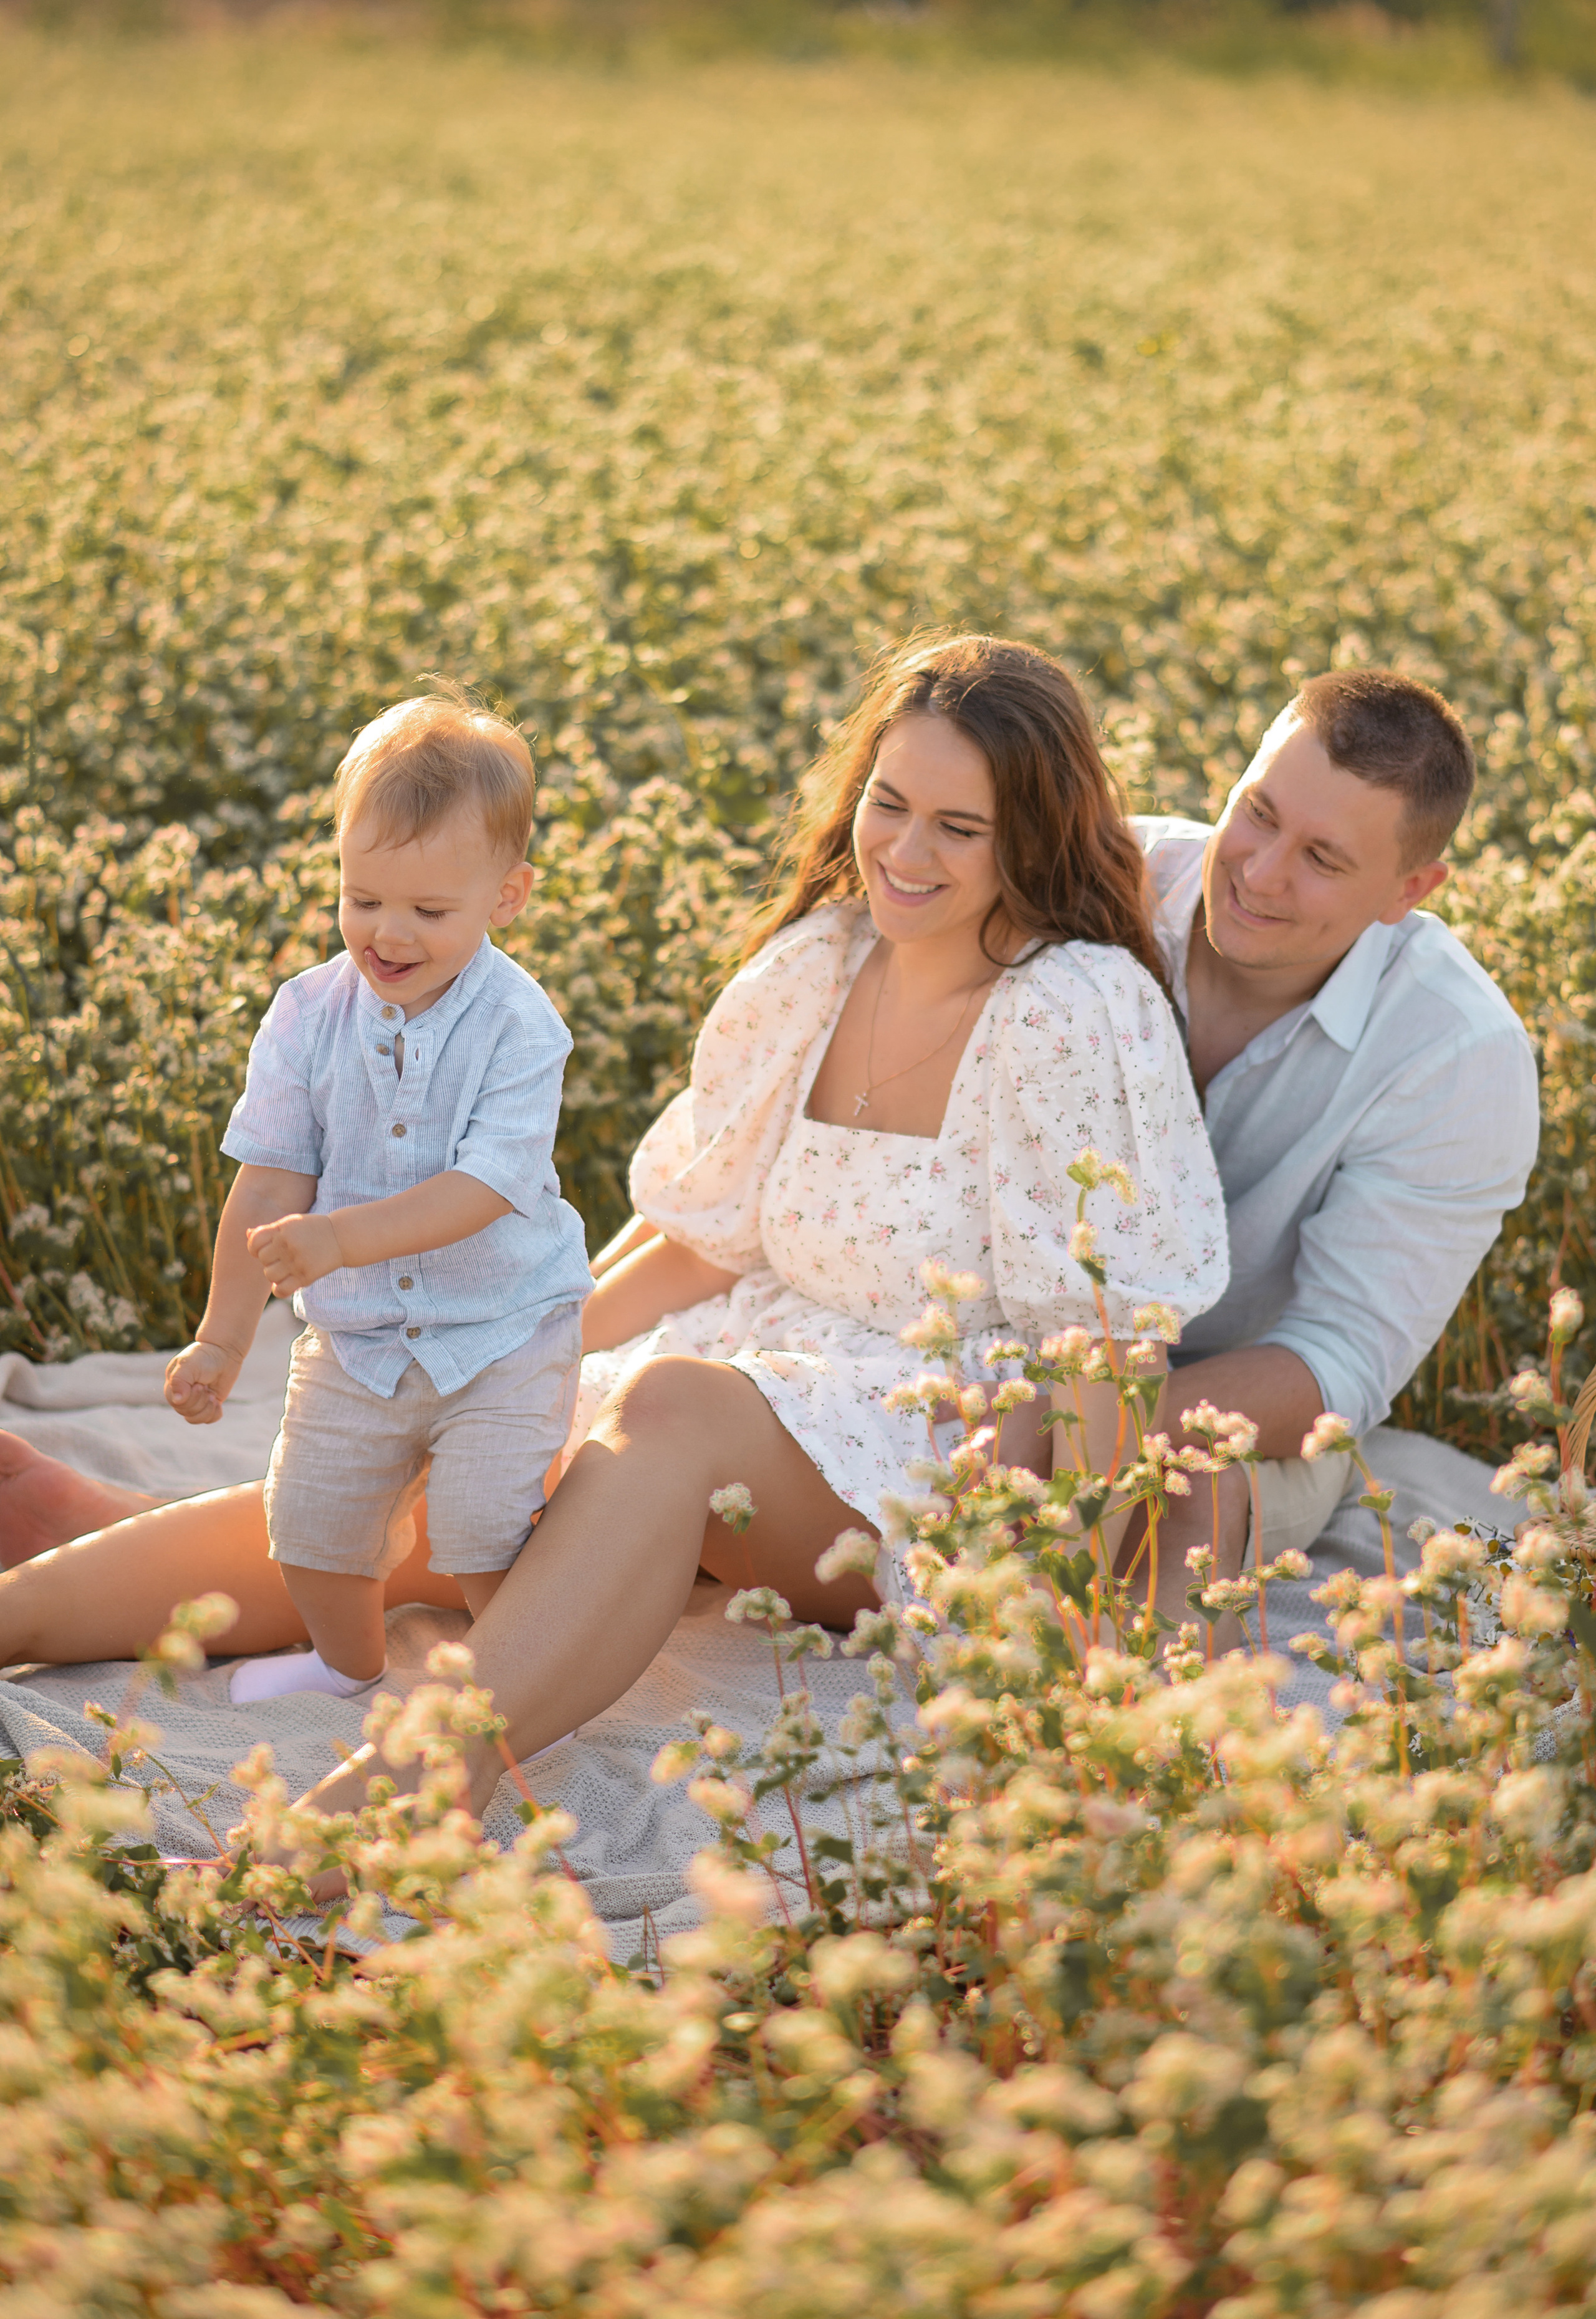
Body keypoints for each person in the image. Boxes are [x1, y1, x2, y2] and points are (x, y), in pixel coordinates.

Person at [0, 634, 1228, 1826]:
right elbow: (696, 1237)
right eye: (889, 803)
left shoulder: (1069, 1009)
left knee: (674, 1406)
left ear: (1028, 836)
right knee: (449, 1477)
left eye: (957, 829)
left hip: (950, 1444)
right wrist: (519, 1362)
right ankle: (24, 1613)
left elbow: (1105, 1336)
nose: (904, 852)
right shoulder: (818, 964)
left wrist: (1072, 1610)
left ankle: (396, 1794)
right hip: (767, 1369)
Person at [163, 688, 592, 1704]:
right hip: (359, 1335)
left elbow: (488, 1186)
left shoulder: (522, 1028)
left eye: (428, 912)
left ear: (508, 894)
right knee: (308, 1526)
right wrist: (224, 1339)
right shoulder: (309, 1015)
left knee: (487, 1529)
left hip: (504, 1324)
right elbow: (266, 1182)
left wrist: (341, 1238)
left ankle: (523, 1687)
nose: (387, 934)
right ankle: (348, 1669)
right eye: (363, 900)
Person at [1128, 668, 1539, 1580]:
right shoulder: (1095, 886)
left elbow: (1336, 1359)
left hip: (1248, 1416)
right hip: (990, 1349)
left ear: (1410, 890)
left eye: (1323, 859)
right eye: (1259, 813)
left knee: (1177, 1502)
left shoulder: (1458, 1053)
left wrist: (1068, 1435)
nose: (1260, 873)